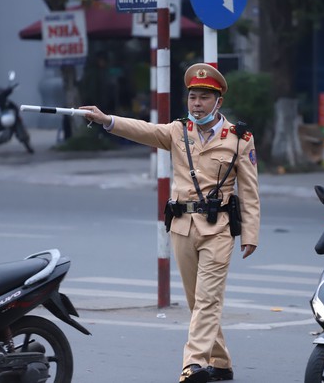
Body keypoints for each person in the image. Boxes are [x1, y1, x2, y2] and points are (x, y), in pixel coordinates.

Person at [81, 63, 261, 383]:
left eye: (204, 98)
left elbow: (250, 191)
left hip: (218, 229)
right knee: (197, 301)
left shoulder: (238, 138)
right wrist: (106, 120)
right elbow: (144, 130)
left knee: (207, 300)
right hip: (182, 227)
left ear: (218, 102)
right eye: (192, 97)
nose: (196, 104)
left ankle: (192, 365)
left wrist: (250, 233)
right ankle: (220, 362)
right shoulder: (179, 131)